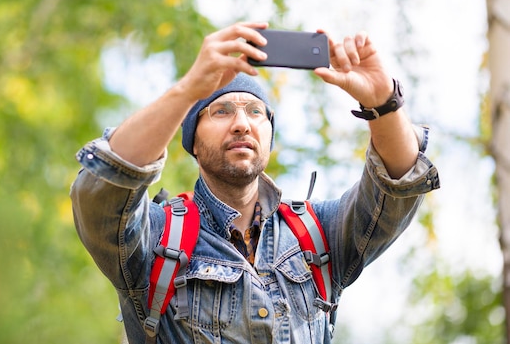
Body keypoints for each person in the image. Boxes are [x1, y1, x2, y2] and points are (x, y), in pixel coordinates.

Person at [70, 22, 440, 343]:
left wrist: (384, 103)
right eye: (221, 110)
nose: (241, 123)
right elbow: (106, 189)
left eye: (255, 112)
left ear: (269, 135)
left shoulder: (318, 235)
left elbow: (397, 186)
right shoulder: (156, 240)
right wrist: (188, 91)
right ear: (192, 142)